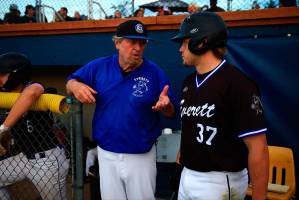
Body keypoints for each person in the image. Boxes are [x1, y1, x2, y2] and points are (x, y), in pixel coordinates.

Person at [66, 19, 177, 200]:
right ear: (117, 43)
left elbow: (172, 113)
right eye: (132, 41)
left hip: (140, 155)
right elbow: (70, 81)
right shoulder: (99, 66)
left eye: (142, 42)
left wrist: (166, 106)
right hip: (107, 153)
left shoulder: (154, 72)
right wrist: (75, 86)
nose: (138, 47)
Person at [171, 12, 269, 199]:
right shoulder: (189, 82)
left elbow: (259, 148)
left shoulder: (238, 83)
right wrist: (179, 167)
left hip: (220, 181)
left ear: (201, 42)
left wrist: (259, 197)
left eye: (185, 42)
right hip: (188, 175)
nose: (180, 49)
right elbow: (189, 131)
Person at [0, 52, 69, 200]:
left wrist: (3, 129)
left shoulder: (33, 87)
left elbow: (33, 91)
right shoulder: (5, 93)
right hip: (24, 158)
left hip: (47, 160)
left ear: (16, 74)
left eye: (2, 74)